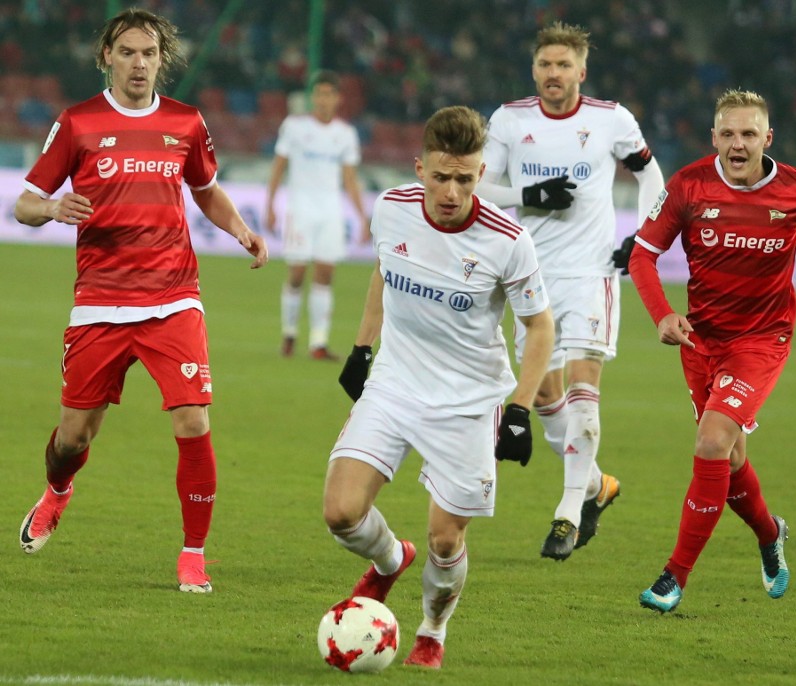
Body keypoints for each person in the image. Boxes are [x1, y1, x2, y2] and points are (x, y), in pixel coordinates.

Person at [14, 8, 268, 594]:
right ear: (107, 56)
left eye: (148, 53)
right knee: (74, 437)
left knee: (193, 419)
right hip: (100, 301)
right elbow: (25, 202)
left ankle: (193, 555)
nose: (138, 63)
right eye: (127, 52)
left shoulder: (184, 123)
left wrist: (239, 228)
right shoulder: (77, 123)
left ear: (162, 60)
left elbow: (205, 189)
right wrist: (52, 209)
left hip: (172, 297)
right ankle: (57, 491)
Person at [325, 106, 554, 668]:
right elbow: (384, 268)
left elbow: (541, 326)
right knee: (340, 512)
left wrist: (521, 408)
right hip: (395, 383)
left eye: (466, 179)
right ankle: (388, 561)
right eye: (441, 176)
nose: (452, 192)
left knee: (446, 540)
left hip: (469, 403)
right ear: (419, 167)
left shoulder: (507, 240)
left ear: (480, 174)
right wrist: (362, 346)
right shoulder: (391, 209)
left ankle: (432, 627)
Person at [629, 89, 796, 613]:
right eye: (728, 133)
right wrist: (662, 315)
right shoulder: (689, 185)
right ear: (714, 138)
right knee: (730, 456)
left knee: (711, 440)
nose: (738, 144)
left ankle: (673, 577)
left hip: (762, 339)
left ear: (768, 138)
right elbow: (641, 256)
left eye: (749, 134)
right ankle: (771, 534)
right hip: (701, 341)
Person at [477, 22, 665, 560]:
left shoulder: (611, 120)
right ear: (533, 69)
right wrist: (528, 193)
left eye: (563, 65)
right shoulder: (510, 120)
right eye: (544, 65)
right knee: (542, 395)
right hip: (531, 276)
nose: (552, 74)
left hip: (591, 271)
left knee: (584, 390)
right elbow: (480, 185)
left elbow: (651, 177)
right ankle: (596, 484)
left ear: (581, 71)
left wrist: (643, 235)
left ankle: (566, 513)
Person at [264, 69, 370, 360]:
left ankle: (318, 343)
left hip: (330, 212)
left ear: (338, 99)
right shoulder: (294, 127)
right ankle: (289, 334)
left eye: (329, 94)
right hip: (300, 211)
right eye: (319, 94)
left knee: (325, 274)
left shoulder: (345, 134)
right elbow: (278, 166)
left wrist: (362, 217)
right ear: (313, 97)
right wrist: (270, 204)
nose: (324, 100)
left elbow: (349, 178)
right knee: (297, 273)